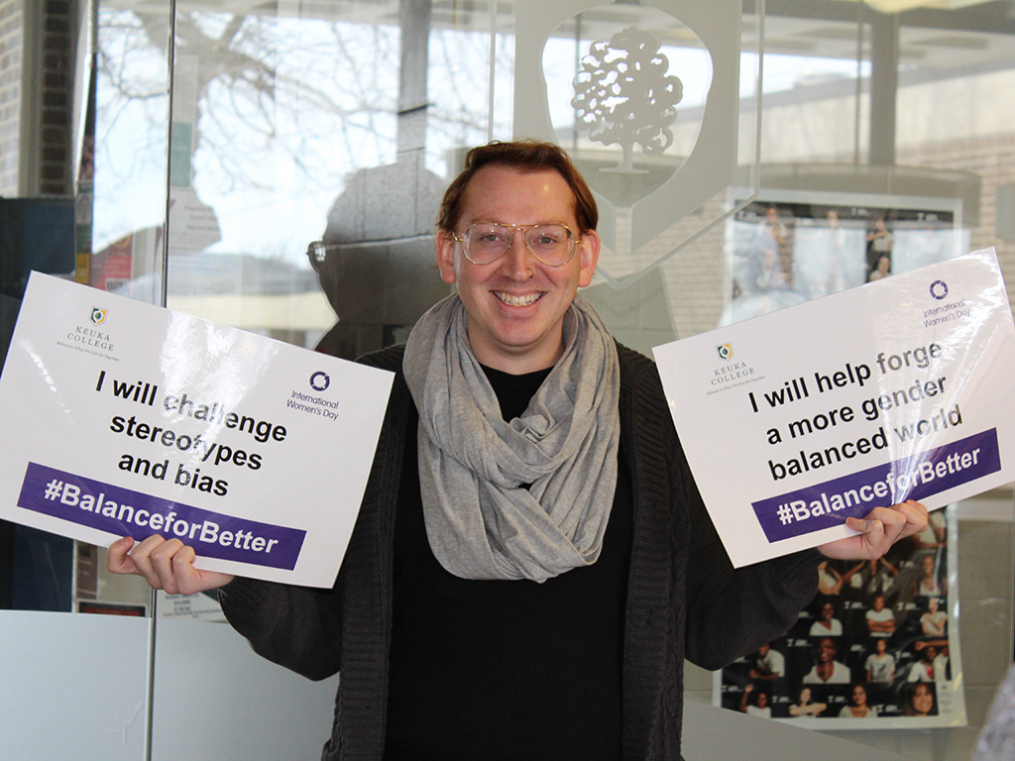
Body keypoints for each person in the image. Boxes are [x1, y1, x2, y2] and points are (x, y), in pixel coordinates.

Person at [105, 140, 928, 761]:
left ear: (585, 255)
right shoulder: (364, 404)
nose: (518, 265)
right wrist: (233, 575)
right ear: (448, 253)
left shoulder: (663, 408)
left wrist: (805, 547)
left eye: (546, 237)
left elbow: (708, 631)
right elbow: (320, 642)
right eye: (489, 236)